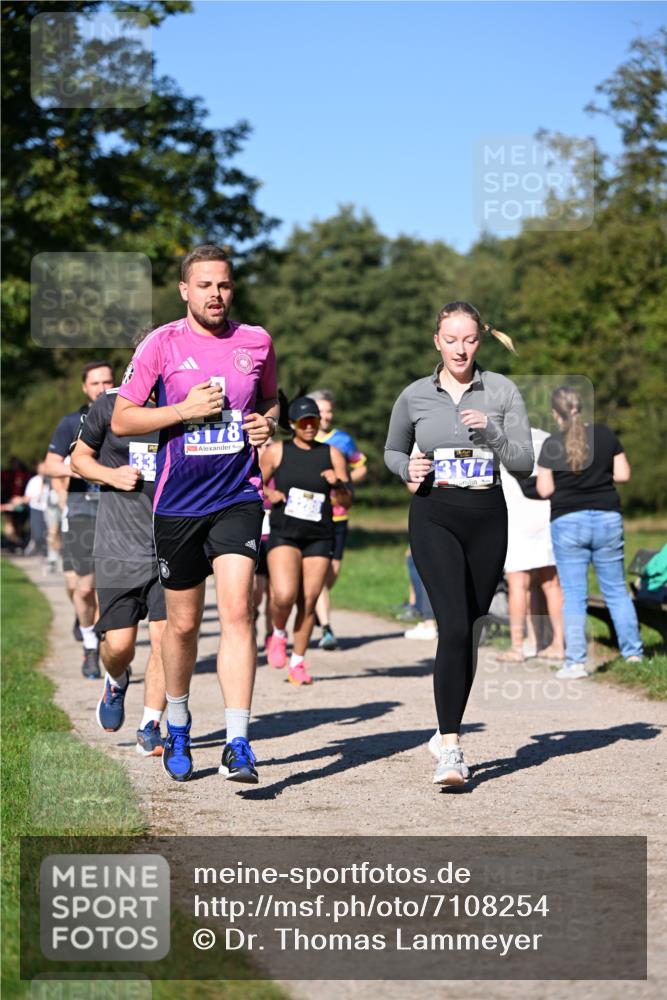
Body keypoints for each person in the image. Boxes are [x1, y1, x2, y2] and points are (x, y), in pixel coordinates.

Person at [111, 244, 279, 784]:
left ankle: (238, 742)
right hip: (179, 503)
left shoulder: (256, 341)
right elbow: (122, 418)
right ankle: (179, 724)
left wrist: (267, 424)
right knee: (182, 627)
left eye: (223, 284)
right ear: (185, 289)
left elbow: (269, 401)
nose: (215, 294)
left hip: (238, 496)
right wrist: (183, 411)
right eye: (204, 285)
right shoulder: (161, 343)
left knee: (238, 613)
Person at [385, 300, 533, 786]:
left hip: (488, 517)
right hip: (435, 514)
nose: (460, 349)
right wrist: (406, 467)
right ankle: (451, 748)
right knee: (451, 626)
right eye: (451, 340)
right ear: (437, 342)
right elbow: (392, 450)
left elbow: (523, 463)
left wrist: (492, 431)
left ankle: (443, 725)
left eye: (469, 339)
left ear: (480, 339)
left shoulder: (502, 390)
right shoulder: (414, 394)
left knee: (470, 630)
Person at [70, 381, 167, 757]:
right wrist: (110, 476)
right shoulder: (111, 404)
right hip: (117, 546)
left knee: (165, 641)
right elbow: (79, 459)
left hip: (170, 545)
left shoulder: (185, 408)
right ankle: (116, 677)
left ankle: (151, 725)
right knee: (120, 646)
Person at [536, 386, 643, 678]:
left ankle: (575, 663)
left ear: (555, 413)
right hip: (607, 517)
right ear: (580, 407)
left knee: (573, 594)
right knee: (616, 590)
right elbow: (623, 474)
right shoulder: (605, 435)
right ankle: (634, 655)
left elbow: (545, 490)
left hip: (567, 521)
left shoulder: (551, 444)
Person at [261, 396, 351, 685]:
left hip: (319, 535)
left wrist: (337, 484)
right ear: (292, 424)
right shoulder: (277, 451)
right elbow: (254, 485)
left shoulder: (332, 454)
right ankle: (278, 633)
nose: (310, 426)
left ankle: (298, 662)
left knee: (309, 600)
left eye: (313, 421)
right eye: (304, 422)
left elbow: (347, 500)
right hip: (284, 533)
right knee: (284, 594)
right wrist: (270, 494)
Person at [43, 362, 115, 678]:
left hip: (118, 510)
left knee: (109, 588)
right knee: (84, 589)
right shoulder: (71, 422)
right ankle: (89, 643)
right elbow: (50, 464)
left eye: (107, 382)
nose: (102, 388)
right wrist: (81, 468)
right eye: (95, 383)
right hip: (82, 509)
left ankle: (110, 651)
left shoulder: (126, 417)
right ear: (85, 388)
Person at [497, 428, 564, 662]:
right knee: (550, 583)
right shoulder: (546, 437)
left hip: (517, 517)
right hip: (547, 513)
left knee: (519, 585)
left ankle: (518, 647)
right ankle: (557, 644)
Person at [310, 389, 367, 650]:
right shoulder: (302, 438)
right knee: (320, 572)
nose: (326, 416)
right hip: (311, 515)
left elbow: (361, 466)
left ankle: (313, 603)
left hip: (339, 513)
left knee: (332, 572)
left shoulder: (343, 440)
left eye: (329, 411)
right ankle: (326, 627)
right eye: (321, 411)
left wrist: (342, 482)